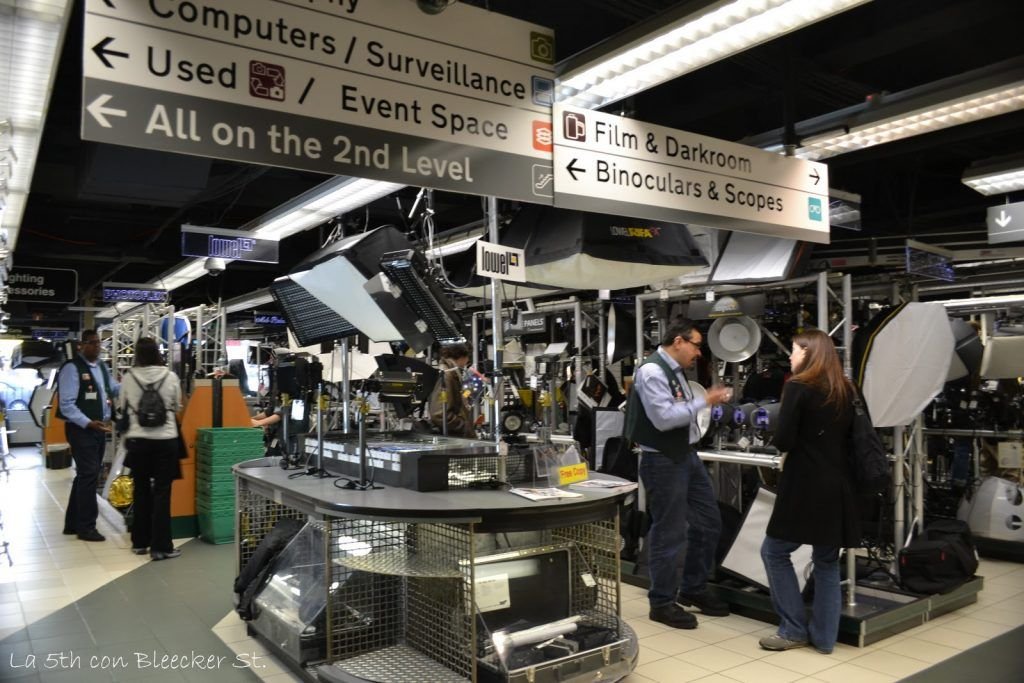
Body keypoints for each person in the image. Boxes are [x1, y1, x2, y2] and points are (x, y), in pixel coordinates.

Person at [624, 318, 732, 629]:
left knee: (708, 522)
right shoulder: (652, 371)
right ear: (679, 342)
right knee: (669, 532)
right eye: (696, 345)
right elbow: (663, 419)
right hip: (662, 461)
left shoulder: (675, 372)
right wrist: (705, 400)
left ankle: (693, 588)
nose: (698, 352)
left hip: (687, 456)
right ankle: (661, 602)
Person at [759, 328, 860, 654]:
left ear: (810, 353)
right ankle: (825, 638)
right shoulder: (846, 388)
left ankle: (792, 628)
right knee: (827, 561)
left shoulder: (799, 386)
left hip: (804, 486)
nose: (790, 356)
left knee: (774, 551)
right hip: (838, 487)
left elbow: (785, 439)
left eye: (794, 350)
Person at [118, 338, 184, 561]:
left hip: (138, 441)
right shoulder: (170, 376)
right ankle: (161, 547)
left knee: (141, 489)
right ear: (158, 352)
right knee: (162, 493)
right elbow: (177, 406)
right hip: (166, 440)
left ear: (137, 354)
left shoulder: (129, 377)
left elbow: (122, 406)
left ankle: (139, 542)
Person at [58, 330, 119, 542]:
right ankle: (86, 527)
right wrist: (88, 423)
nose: (97, 346)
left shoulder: (101, 367)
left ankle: (72, 523)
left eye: (98, 343)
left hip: (98, 429)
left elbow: (114, 388)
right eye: (91, 343)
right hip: (81, 430)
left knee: (86, 475)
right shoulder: (71, 369)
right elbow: (66, 405)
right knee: (89, 475)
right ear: (81, 346)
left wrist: (136, 385)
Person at [429, 343, 475, 438]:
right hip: (451, 437)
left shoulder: (452, 374)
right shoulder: (447, 376)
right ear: (462, 357)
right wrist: (463, 426)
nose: (468, 361)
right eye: (468, 357)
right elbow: (439, 414)